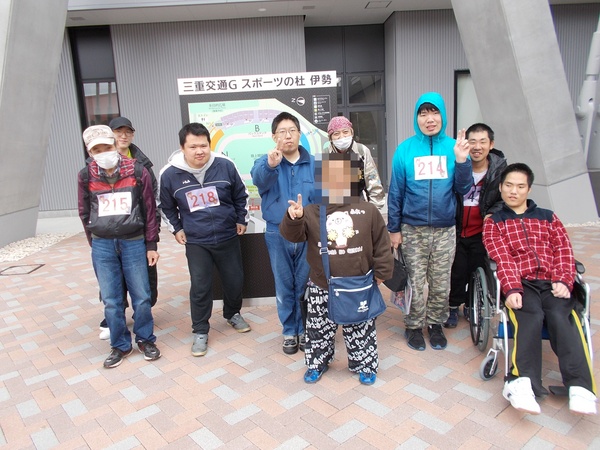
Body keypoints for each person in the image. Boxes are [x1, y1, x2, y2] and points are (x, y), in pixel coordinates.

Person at [483, 163, 597, 415]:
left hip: (552, 281)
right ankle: (521, 382)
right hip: (522, 283)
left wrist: (564, 280)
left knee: (562, 317)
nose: (513, 191)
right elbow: (502, 258)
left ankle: (580, 386)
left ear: (529, 189)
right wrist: (512, 288)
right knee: (530, 316)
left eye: (520, 186)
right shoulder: (495, 223)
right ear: (500, 187)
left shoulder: (548, 217)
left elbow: (563, 249)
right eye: (509, 185)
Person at [280, 151, 393, 385]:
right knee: (318, 330)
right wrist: (294, 218)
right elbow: (292, 235)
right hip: (322, 285)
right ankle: (317, 363)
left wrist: (382, 273)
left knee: (360, 329)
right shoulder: (312, 211)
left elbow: (382, 244)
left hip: (357, 286)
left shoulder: (367, 210)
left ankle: (365, 364)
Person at [387, 92, 472, 351]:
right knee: (413, 280)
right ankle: (413, 326)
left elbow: (464, 188)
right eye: (423, 114)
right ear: (416, 118)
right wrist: (394, 228)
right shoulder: (405, 150)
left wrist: (461, 160)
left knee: (441, 281)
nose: (429, 119)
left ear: (443, 115)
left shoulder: (453, 148)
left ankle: (435, 323)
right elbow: (396, 192)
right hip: (412, 229)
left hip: (445, 229)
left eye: (434, 112)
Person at [159, 122, 251, 357]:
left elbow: (241, 195)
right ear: (182, 148)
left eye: (203, 145)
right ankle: (200, 330)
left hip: (227, 234)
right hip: (197, 240)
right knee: (200, 286)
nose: (199, 151)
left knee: (234, 280)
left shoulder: (225, 165)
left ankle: (232, 313)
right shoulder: (169, 174)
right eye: (193, 147)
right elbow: (166, 206)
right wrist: (176, 228)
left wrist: (241, 218)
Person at [77, 125, 161, 368]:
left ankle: (145, 339)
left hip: (133, 242)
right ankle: (120, 345)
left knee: (142, 296)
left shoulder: (138, 170)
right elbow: (84, 211)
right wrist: (94, 241)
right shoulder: (85, 175)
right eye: (97, 150)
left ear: (115, 145)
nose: (103, 152)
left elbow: (149, 209)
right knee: (111, 300)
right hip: (102, 244)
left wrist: (151, 243)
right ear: (90, 152)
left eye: (107, 147)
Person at [251, 112, 315, 355]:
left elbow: (324, 201)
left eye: (292, 131)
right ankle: (289, 331)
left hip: (307, 232)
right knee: (284, 284)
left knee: (305, 284)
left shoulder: (315, 164)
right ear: (274, 136)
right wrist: (271, 165)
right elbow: (259, 181)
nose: (287, 136)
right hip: (277, 233)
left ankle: (306, 329)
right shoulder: (265, 163)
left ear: (299, 134)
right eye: (282, 132)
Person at [96, 116, 160, 341]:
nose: (123, 136)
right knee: (112, 280)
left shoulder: (142, 164)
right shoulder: (95, 165)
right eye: (118, 132)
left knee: (142, 282)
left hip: (135, 233)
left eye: (127, 132)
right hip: (108, 234)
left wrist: (152, 238)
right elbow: (87, 207)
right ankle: (114, 319)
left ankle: (142, 322)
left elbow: (151, 201)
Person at [445, 123, 507, 327]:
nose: (477, 147)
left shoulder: (500, 170)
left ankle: (472, 304)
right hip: (456, 229)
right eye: (473, 142)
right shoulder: (457, 163)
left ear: (491, 144)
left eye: (483, 142)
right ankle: (453, 306)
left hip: (481, 232)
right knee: (457, 271)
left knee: (477, 268)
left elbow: (505, 199)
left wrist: (493, 212)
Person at [326, 116, 385, 210]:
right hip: (334, 210)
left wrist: (373, 212)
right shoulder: (325, 154)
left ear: (352, 133)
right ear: (330, 137)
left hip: (359, 206)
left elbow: (374, 184)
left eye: (345, 132)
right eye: (336, 134)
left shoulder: (362, 151)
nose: (342, 136)